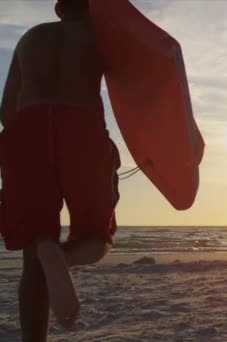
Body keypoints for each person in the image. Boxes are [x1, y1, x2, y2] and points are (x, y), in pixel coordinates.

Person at [0, 0, 120, 340]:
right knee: (97, 238)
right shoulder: (99, 36)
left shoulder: (30, 37)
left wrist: (23, 151)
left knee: (33, 255)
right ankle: (62, 257)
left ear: (59, 9)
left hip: (27, 129)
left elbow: (6, 109)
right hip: (81, 125)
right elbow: (145, 93)